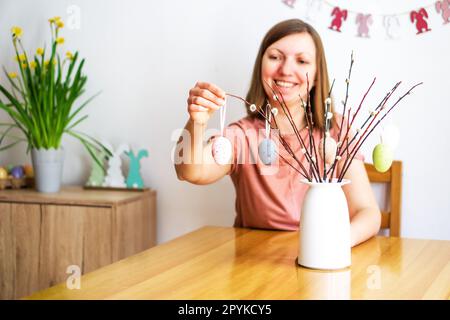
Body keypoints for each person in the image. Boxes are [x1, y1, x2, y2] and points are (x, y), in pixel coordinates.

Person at [174, 19, 381, 247]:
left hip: (321, 262)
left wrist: (336, 243)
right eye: (275, 57)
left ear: (316, 75)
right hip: (254, 269)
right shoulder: (242, 136)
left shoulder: (336, 131)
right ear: (260, 65)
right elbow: (190, 172)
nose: (286, 70)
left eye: (302, 61)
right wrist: (197, 121)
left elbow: (368, 212)